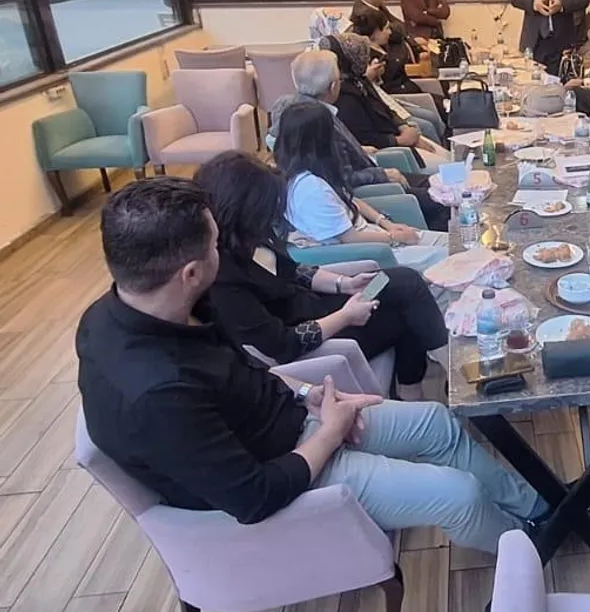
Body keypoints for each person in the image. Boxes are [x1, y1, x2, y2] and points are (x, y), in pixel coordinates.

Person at [77, 179, 546, 553]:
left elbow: (242, 374)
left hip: (295, 422)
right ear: (192, 273)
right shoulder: (157, 393)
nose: (225, 253)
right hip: (286, 475)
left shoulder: (125, 312)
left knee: (436, 424)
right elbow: (254, 498)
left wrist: (308, 395)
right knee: (459, 496)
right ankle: (529, 549)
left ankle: (542, 509)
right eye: (216, 245)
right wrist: (329, 433)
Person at [196, 151, 448, 403]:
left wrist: (343, 284)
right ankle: (433, 378)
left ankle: (421, 384)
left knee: (405, 280)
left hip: (319, 305)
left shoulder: (251, 239)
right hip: (316, 336)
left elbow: (295, 270)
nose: (272, 216)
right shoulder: (224, 280)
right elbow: (282, 344)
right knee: (406, 309)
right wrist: (346, 316)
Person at [268, 50, 450, 232]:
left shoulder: (296, 113)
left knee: (441, 185)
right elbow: (342, 178)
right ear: (333, 86)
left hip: (367, 170)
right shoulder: (319, 122)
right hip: (366, 188)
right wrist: (382, 175)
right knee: (445, 201)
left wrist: (360, 149)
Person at [275, 103, 449, 272]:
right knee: (453, 255)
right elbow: (350, 238)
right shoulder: (311, 190)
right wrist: (394, 237)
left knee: (455, 242)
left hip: (377, 234)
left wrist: (386, 223)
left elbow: (349, 200)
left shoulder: (310, 172)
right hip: (372, 252)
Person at [319, 34, 451, 169]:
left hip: (400, 137)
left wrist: (404, 127)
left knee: (450, 158)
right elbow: (364, 139)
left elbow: (384, 108)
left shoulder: (359, 81)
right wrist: (400, 140)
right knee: (447, 167)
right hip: (392, 152)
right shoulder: (344, 97)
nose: (367, 58)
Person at [348, 8, 448, 141]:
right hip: (390, 100)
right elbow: (373, 90)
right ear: (376, 32)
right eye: (386, 28)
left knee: (435, 114)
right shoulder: (367, 57)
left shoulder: (387, 48)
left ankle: (446, 147)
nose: (390, 32)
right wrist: (370, 77)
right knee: (428, 124)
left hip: (398, 97)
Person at [351, 0, 419, 64]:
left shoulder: (377, 6)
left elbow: (399, 24)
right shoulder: (365, 14)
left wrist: (413, 40)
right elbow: (395, 33)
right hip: (387, 59)